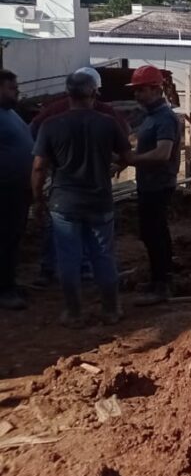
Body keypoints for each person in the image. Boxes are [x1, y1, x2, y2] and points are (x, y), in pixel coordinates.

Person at [31, 72, 131, 327]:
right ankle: (111, 310)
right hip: (100, 201)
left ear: (67, 94)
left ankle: (74, 313)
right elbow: (126, 157)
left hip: (63, 204)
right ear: (94, 93)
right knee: (104, 257)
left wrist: (37, 199)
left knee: (68, 259)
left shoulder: (50, 125)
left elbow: (39, 167)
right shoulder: (108, 123)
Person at [127, 66, 182, 306]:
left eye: (142, 90)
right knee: (152, 233)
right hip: (149, 183)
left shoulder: (165, 118)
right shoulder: (150, 116)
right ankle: (159, 279)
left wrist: (132, 160)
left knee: (155, 233)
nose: (137, 95)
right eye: (136, 90)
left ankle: (162, 284)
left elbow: (162, 153)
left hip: (158, 185)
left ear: (156, 89)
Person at [0, 69, 33, 310]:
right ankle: (4, 290)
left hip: (18, 190)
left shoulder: (10, 113)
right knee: (4, 239)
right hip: (4, 191)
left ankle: (8, 282)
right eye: (12, 87)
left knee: (12, 239)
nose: (17, 90)